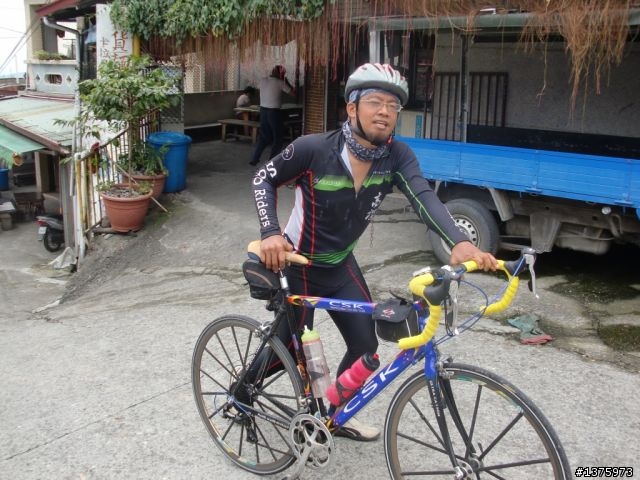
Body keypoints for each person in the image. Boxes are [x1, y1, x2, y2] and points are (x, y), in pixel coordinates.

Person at [250, 62, 498, 441]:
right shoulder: (314, 149)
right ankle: (242, 394)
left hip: (339, 266)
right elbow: (262, 179)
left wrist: (459, 240)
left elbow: (423, 196)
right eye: (375, 102)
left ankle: (333, 416)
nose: (385, 111)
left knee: (365, 345)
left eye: (393, 105)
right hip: (298, 266)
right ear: (352, 108)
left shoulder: (396, 156)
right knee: (283, 353)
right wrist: (270, 232)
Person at [249, 65, 295, 166]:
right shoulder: (280, 82)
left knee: (264, 137)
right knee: (278, 138)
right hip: (273, 112)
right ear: (281, 74)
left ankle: (254, 159)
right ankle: (272, 161)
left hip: (263, 111)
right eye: (283, 73)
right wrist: (286, 81)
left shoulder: (263, 80)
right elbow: (293, 93)